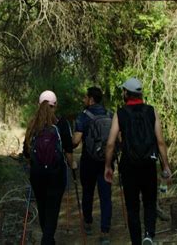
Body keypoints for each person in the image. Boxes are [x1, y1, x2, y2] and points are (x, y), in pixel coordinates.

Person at [104, 78, 171, 245]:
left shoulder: (120, 113)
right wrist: (165, 166)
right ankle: (148, 234)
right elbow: (160, 141)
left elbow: (111, 143)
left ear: (127, 93)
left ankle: (136, 241)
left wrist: (108, 166)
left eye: (123, 91)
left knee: (132, 206)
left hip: (129, 166)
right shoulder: (151, 111)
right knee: (149, 202)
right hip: (149, 164)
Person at [23, 90, 73, 245]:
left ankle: (48, 238)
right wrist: (73, 165)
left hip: (37, 175)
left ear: (39, 105)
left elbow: (26, 151)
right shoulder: (62, 123)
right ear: (55, 105)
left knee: (43, 207)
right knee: (53, 208)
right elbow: (69, 150)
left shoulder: (33, 124)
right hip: (56, 174)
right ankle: (47, 239)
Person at [73, 87, 112, 245]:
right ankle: (105, 232)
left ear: (91, 99)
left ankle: (88, 223)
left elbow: (76, 141)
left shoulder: (83, 116)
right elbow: (119, 138)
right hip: (106, 162)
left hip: (88, 161)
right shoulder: (110, 114)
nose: (83, 100)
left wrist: (67, 146)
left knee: (87, 192)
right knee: (106, 197)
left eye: (85, 97)